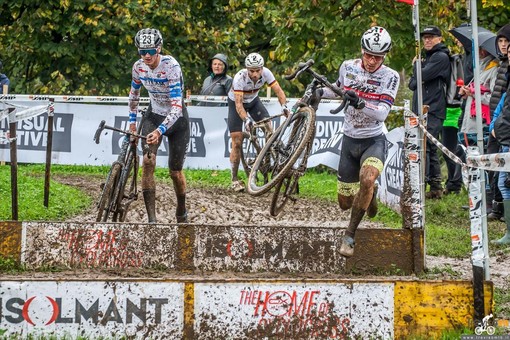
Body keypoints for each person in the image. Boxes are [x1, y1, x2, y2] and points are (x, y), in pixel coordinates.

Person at [318, 26, 400, 257]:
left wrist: (360, 103)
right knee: (344, 202)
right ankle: (369, 195)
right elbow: (336, 91)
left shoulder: (390, 76)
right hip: (349, 141)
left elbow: (383, 112)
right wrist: (318, 91)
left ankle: (350, 236)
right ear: (362, 51)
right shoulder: (348, 66)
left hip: (374, 139)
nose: (372, 61)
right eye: (368, 55)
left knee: (367, 178)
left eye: (377, 57)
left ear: (384, 57)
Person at [128, 28, 190, 223]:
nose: (146, 56)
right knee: (148, 162)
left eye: (151, 51)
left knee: (175, 172)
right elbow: (134, 95)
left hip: (177, 119)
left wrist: (160, 131)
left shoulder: (171, 66)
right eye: (142, 51)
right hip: (153, 115)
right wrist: (131, 121)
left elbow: (176, 106)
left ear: (159, 49)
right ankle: (152, 219)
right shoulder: (138, 67)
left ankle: (181, 209)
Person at [227, 52, 289, 192]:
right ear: (247, 69)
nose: (255, 74)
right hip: (237, 104)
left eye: (258, 70)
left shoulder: (267, 73)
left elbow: (279, 91)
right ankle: (234, 179)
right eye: (252, 71)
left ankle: (267, 158)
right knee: (236, 141)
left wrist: (284, 106)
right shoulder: (239, 78)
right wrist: (246, 120)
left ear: (262, 68)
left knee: (269, 129)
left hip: (254, 102)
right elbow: (238, 105)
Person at [409, 25, 451, 199]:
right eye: (425, 37)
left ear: (439, 39)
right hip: (422, 109)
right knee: (431, 147)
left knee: (424, 146)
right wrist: (419, 68)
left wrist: (417, 66)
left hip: (433, 109)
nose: (427, 40)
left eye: (431, 37)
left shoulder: (441, 57)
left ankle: (421, 184)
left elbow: (421, 77)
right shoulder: (427, 58)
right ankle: (435, 188)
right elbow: (412, 84)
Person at [487, 23, 510, 221]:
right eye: (500, 41)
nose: (503, 46)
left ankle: (500, 210)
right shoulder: (502, 64)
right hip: (498, 121)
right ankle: (495, 206)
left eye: (506, 41)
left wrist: (498, 123)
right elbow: (501, 99)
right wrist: (494, 122)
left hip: (504, 126)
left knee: (504, 174)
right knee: (493, 167)